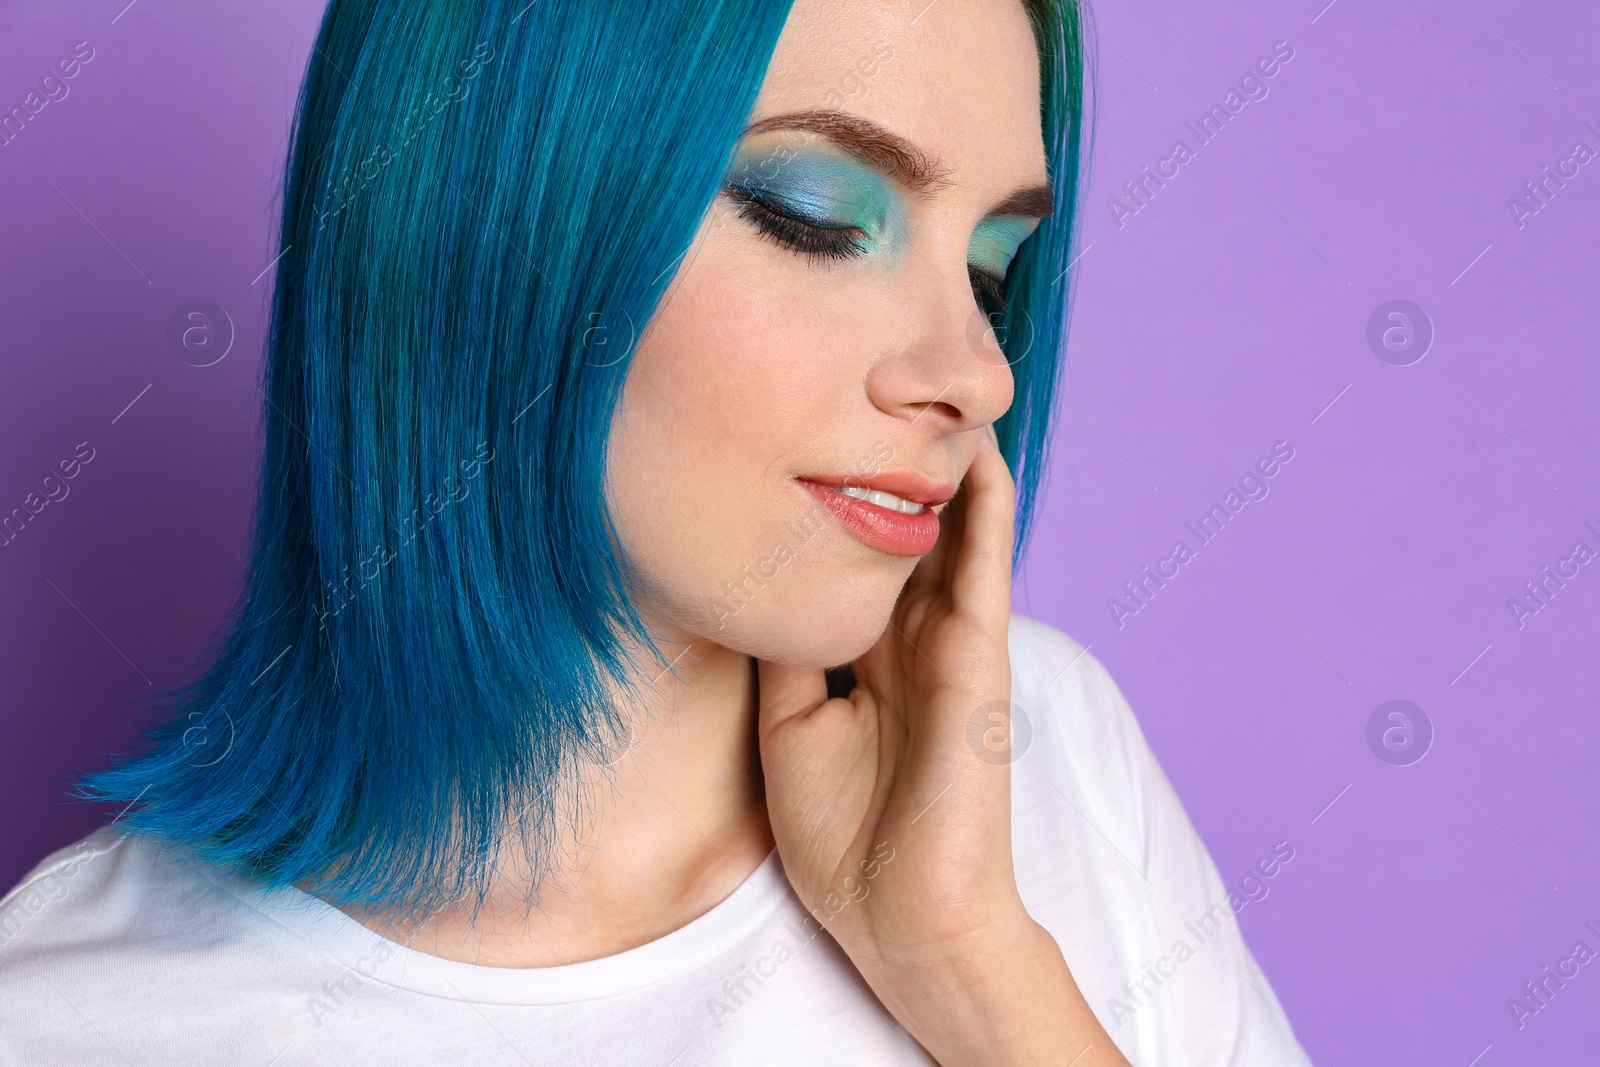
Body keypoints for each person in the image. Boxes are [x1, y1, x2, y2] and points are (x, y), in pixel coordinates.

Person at [0, 0, 1313, 1063]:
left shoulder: (1050, 757)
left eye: (991, 271)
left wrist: (974, 970)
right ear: (494, 218)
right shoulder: (67, 1022)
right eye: (816, 216)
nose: (979, 372)